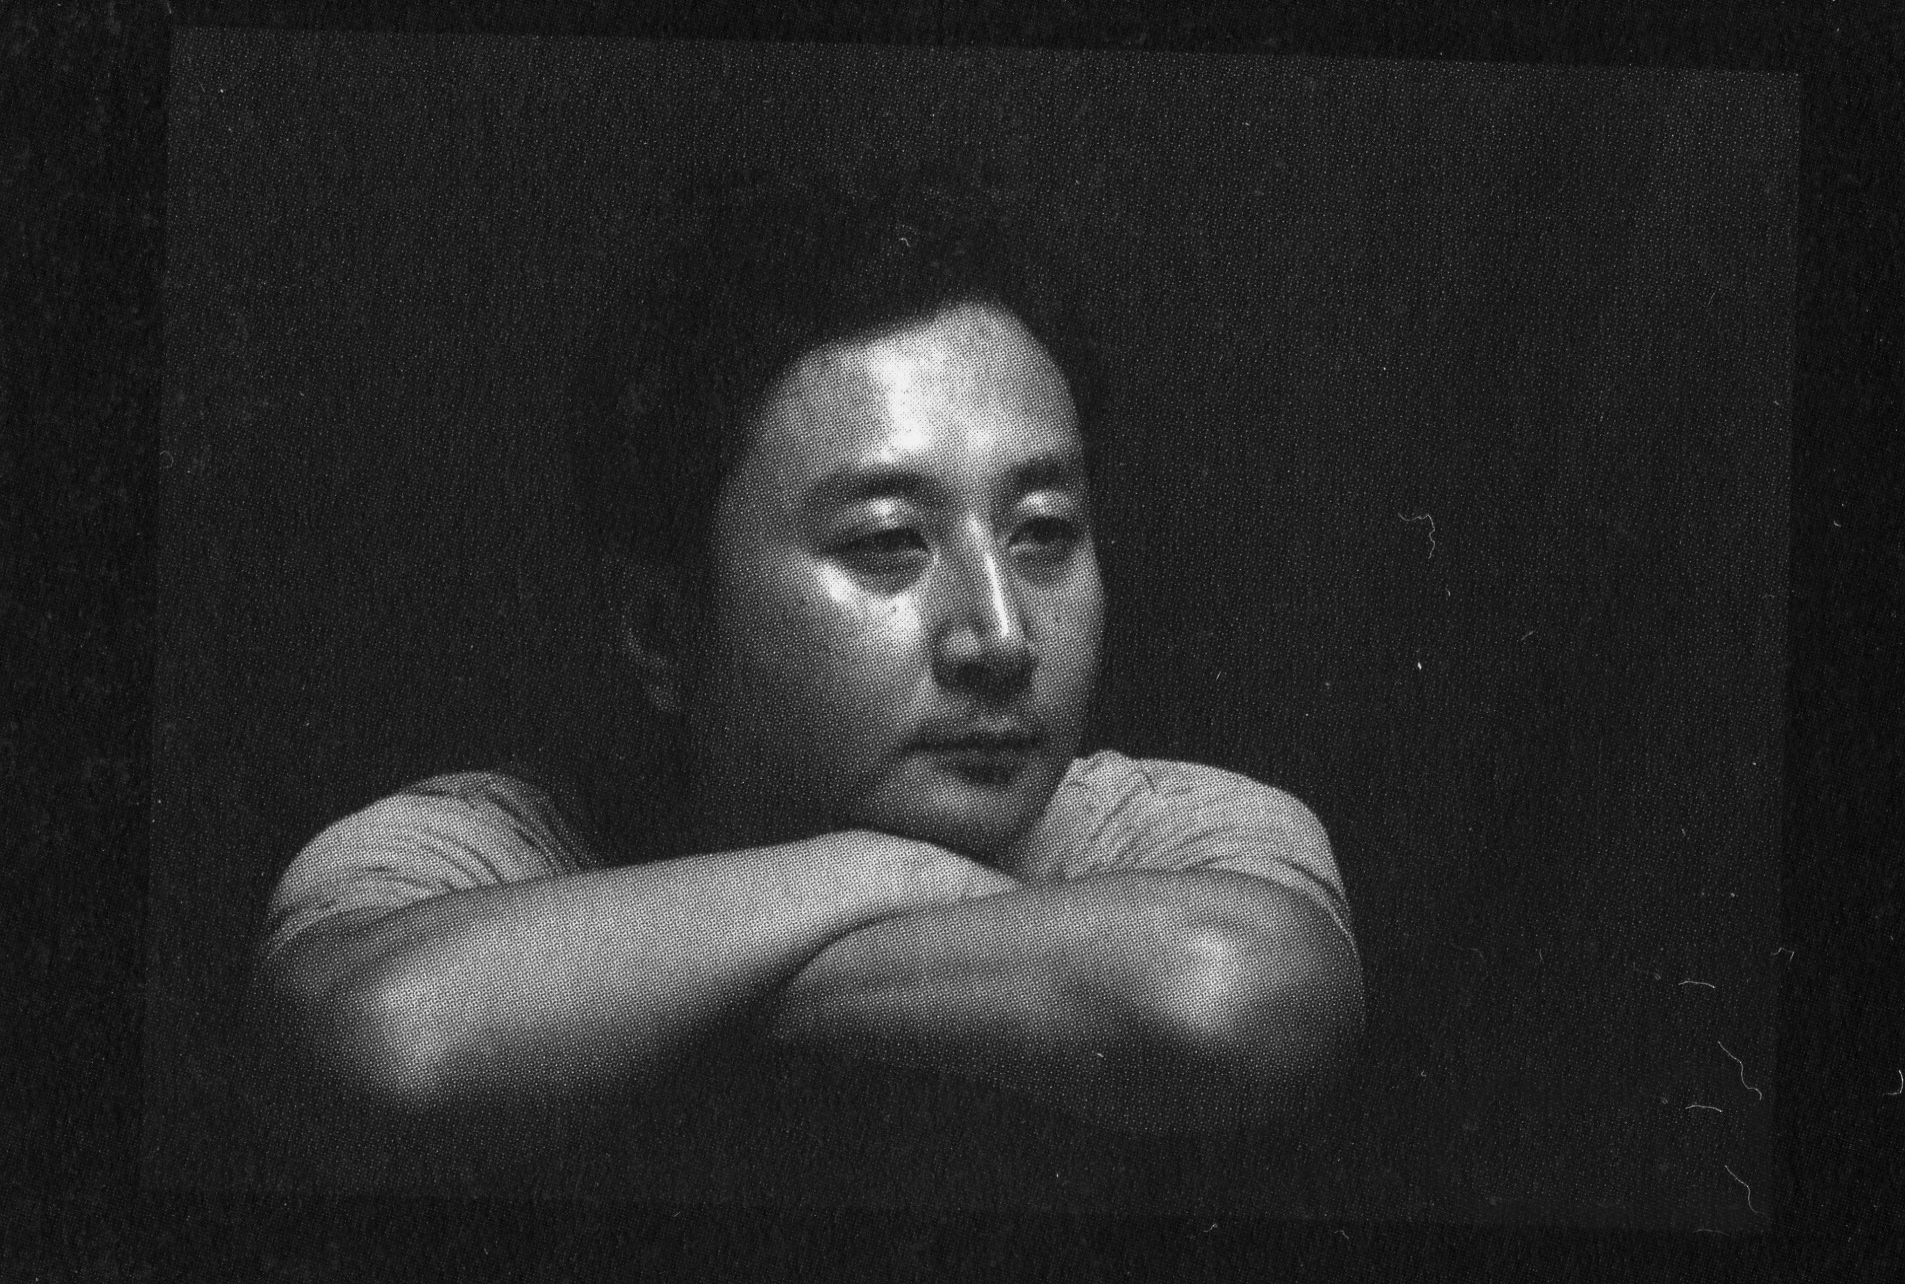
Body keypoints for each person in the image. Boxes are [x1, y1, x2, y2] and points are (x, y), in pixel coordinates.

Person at [249, 169, 1363, 1183]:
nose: (1001, 637)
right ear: (660, 630)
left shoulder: (1161, 831)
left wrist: (650, 988)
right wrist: (894, 873)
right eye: (887, 543)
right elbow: (385, 1040)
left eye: (1043, 531)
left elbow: (1230, 995)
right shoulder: (471, 850)